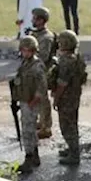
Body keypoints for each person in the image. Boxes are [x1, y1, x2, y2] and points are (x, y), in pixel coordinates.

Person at [51, 30, 86, 165]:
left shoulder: (66, 61)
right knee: (72, 123)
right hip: (74, 96)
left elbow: (62, 83)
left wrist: (56, 98)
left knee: (67, 126)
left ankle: (74, 155)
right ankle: (72, 149)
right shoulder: (76, 58)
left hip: (66, 98)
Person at [13, 35, 47, 174]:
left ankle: (29, 158)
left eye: (28, 50)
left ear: (34, 50)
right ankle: (34, 155)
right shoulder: (25, 64)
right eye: (23, 50)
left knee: (28, 131)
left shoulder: (37, 66)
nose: (25, 53)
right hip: (25, 101)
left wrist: (34, 102)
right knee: (29, 130)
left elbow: (42, 86)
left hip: (31, 103)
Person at [29, 7, 57, 140]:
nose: (32, 20)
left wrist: (31, 49)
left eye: (34, 18)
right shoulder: (37, 34)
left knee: (43, 100)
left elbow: (44, 57)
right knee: (39, 99)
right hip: (36, 71)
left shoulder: (46, 37)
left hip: (43, 72)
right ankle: (42, 122)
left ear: (41, 20)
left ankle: (47, 128)